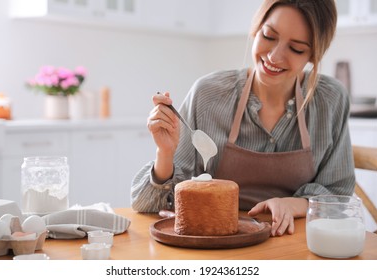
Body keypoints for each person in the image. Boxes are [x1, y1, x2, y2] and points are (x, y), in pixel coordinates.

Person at [131, 0, 355, 237]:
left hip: (296, 242)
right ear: (256, 29)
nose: (274, 56)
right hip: (218, 241)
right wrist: (165, 154)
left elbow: (338, 195)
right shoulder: (208, 95)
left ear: (313, 55)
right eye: (269, 36)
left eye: (296, 48)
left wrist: (294, 204)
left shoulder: (330, 100)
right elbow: (149, 205)